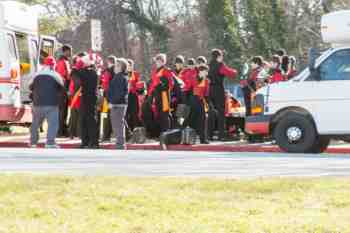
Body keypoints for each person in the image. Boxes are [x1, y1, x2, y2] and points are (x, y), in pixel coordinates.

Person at [29, 56, 64, 148]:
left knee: (35, 123)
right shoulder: (56, 75)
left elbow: (30, 87)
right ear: (53, 65)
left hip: (37, 103)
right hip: (51, 104)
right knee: (53, 123)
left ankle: (33, 142)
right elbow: (62, 88)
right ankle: (50, 142)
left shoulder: (36, 74)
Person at [208, 49, 237, 141]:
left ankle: (209, 135)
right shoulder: (220, 65)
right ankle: (221, 135)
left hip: (209, 90)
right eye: (221, 56)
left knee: (211, 113)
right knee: (221, 113)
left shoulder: (208, 65)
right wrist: (235, 71)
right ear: (219, 57)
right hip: (218, 89)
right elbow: (231, 74)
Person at [148, 54, 174, 133]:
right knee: (158, 113)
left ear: (163, 62)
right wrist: (150, 95)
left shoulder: (167, 70)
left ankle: (166, 132)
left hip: (164, 94)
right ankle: (161, 132)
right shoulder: (154, 71)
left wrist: (164, 84)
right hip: (157, 93)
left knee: (165, 114)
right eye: (157, 61)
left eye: (160, 61)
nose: (158, 63)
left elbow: (171, 83)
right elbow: (152, 84)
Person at [108, 58, 129, 150]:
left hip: (118, 104)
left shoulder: (121, 78)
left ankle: (120, 144)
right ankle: (119, 142)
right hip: (116, 103)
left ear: (121, 67)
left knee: (118, 124)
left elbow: (120, 93)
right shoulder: (117, 77)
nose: (114, 67)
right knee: (116, 124)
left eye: (116, 66)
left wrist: (112, 102)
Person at [79, 54, 99, 149]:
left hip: (86, 97)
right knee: (90, 119)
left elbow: (77, 76)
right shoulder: (94, 73)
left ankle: (87, 141)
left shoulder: (84, 72)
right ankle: (91, 141)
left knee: (86, 120)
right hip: (92, 98)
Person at [189, 64, 210, 144]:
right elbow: (188, 89)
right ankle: (188, 137)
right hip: (192, 100)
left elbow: (206, 94)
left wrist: (208, 104)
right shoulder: (193, 78)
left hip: (200, 101)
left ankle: (203, 139)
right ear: (201, 71)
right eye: (205, 72)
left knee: (203, 120)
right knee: (190, 119)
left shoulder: (207, 81)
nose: (207, 73)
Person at [68, 53, 85, 139]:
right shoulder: (76, 72)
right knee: (77, 115)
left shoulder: (74, 71)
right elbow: (77, 84)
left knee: (74, 115)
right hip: (77, 94)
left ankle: (73, 133)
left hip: (74, 94)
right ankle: (77, 133)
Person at [56, 45, 72, 137]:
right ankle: (60, 131)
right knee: (62, 111)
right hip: (62, 89)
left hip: (63, 89)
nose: (70, 53)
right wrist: (66, 90)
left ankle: (62, 130)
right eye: (69, 51)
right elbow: (62, 76)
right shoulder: (63, 62)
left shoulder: (64, 61)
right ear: (65, 51)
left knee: (64, 111)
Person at [99, 55, 117, 141]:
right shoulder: (111, 71)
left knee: (107, 115)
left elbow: (106, 83)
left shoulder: (110, 71)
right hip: (110, 96)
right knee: (108, 115)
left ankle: (106, 135)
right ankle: (107, 134)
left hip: (108, 96)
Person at [126, 59, 141, 132]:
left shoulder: (135, 74)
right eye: (128, 65)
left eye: (130, 65)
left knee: (134, 113)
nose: (129, 67)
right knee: (126, 114)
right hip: (125, 96)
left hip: (133, 95)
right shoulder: (123, 74)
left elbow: (138, 85)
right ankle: (127, 131)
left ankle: (135, 130)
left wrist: (134, 87)